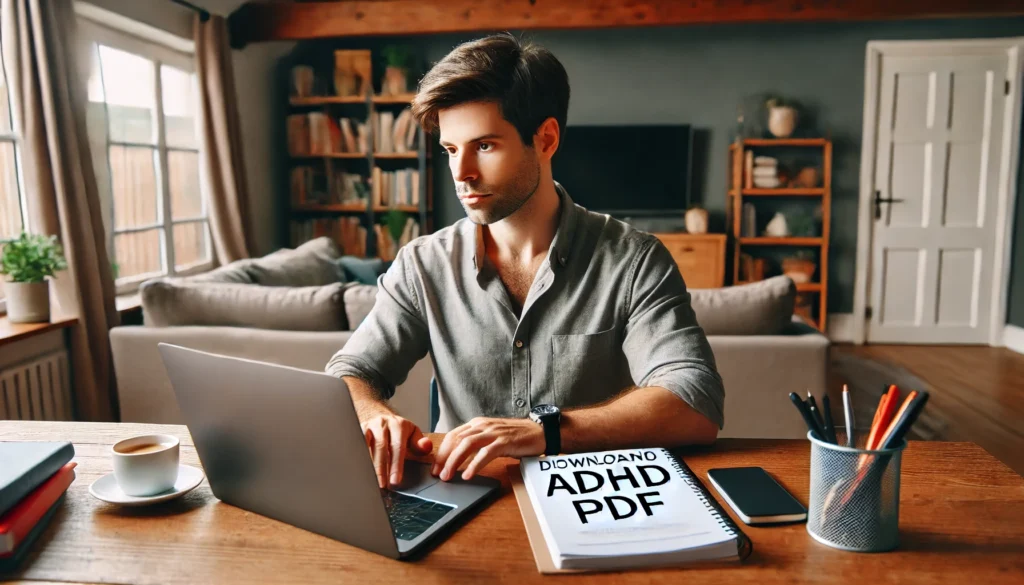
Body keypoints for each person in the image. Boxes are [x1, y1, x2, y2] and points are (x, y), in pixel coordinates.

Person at [326, 33, 724, 490]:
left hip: (595, 497)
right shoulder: (422, 265)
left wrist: (545, 431)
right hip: (464, 491)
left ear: (546, 140)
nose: (461, 174)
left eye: (485, 146)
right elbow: (350, 371)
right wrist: (373, 416)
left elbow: (695, 402)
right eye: (451, 150)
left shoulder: (633, 260)